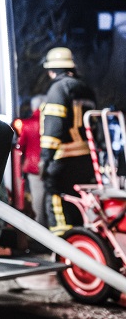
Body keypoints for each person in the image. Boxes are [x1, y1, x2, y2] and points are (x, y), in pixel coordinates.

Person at [39, 47, 97, 235]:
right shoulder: (86, 89)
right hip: (86, 158)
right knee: (78, 204)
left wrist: (45, 159)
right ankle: (81, 241)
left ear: (52, 70)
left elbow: (53, 127)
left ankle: (63, 247)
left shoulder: (58, 88)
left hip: (63, 158)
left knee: (56, 202)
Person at [15, 95, 46, 227]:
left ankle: (39, 226)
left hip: (33, 166)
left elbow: (20, 145)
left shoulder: (27, 124)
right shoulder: (50, 123)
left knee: (37, 197)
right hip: (51, 163)